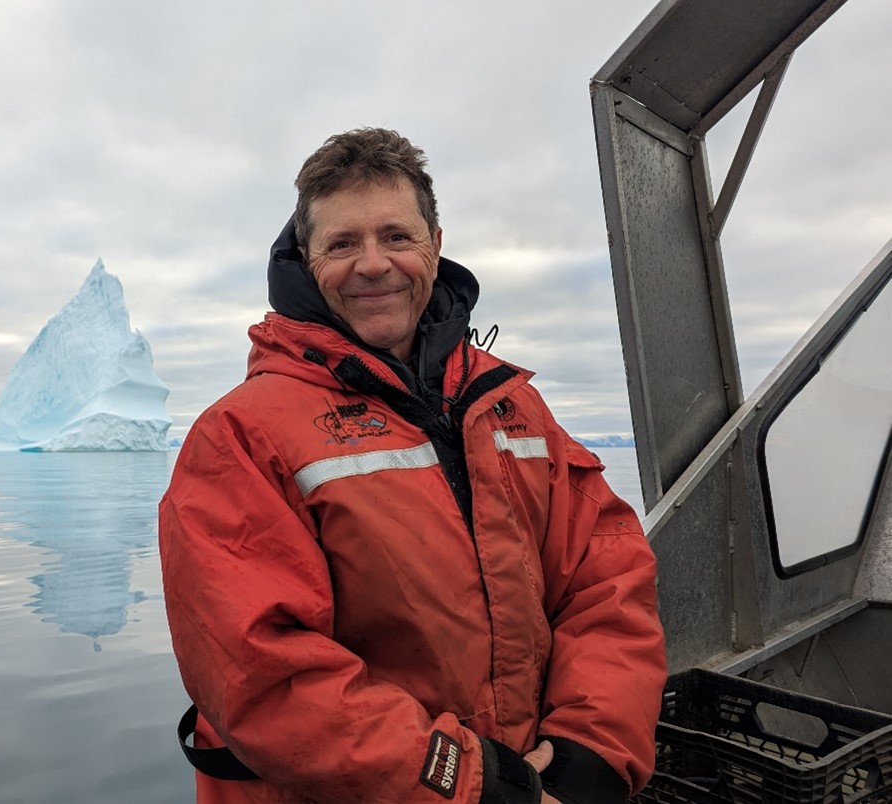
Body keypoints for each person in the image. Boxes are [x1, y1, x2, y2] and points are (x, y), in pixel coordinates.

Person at [158, 127, 666, 804]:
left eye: (396, 236)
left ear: (435, 243)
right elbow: (263, 674)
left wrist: (591, 751)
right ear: (305, 261)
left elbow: (608, 577)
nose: (373, 264)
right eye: (342, 243)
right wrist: (476, 785)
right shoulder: (242, 438)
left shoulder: (514, 408)